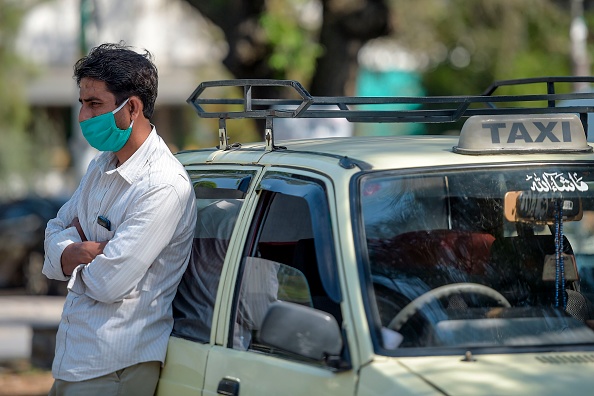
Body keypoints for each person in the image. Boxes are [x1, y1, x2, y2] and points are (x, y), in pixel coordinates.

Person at [42, 42, 196, 396]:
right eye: (82, 103)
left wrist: (67, 256)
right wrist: (77, 252)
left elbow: (109, 283)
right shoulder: (102, 166)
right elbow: (54, 228)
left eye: (94, 104)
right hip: (76, 360)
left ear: (133, 108)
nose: (83, 116)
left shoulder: (162, 186)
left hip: (113, 368)